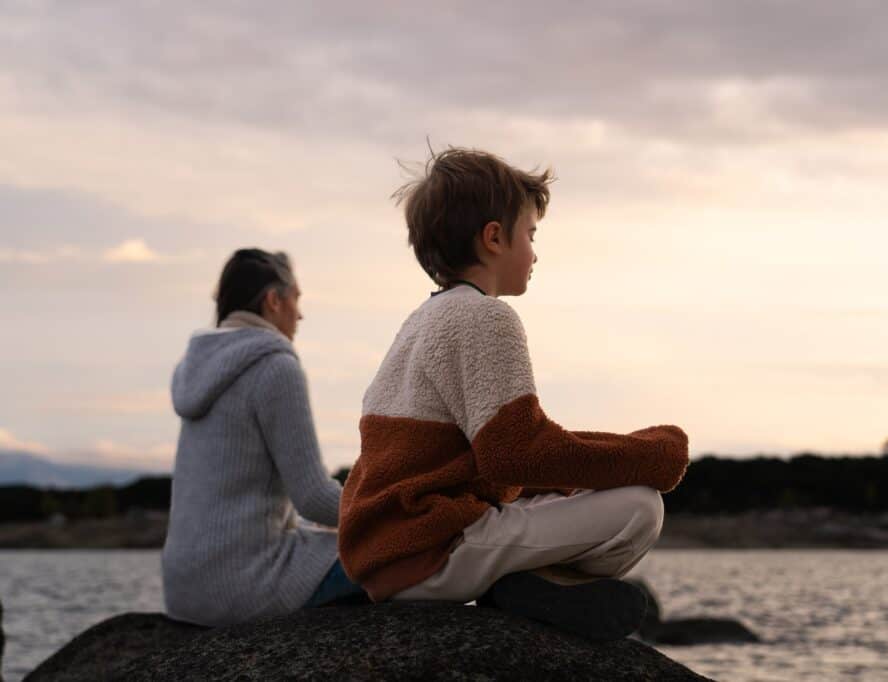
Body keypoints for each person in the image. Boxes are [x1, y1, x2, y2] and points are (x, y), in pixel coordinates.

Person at [337, 148, 690, 640]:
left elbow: (488, 455)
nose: (536, 252)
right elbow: (515, 452)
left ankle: (536, 589)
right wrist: (650, 453)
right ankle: (534, 587)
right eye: (530, 234)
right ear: (494, 238)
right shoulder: (486, 317)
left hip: (387, 556)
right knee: (641, 507)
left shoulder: (420, 322)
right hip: (432, 549)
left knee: (586, 493)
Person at [163, 249, 363, 627]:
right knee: (395, 555)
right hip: (244, 586)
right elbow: (313, 499)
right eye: (296, 299)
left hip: (183, 591)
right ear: (273, 300)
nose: (300, 314)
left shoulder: (195, 367)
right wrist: (389, 509)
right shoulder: (275, 366)